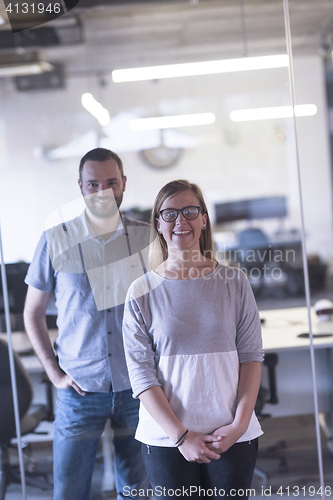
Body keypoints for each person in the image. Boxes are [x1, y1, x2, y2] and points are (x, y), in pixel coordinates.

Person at [123, 179, 263, 499]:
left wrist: (239, 426)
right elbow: (141, 374)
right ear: (158, 224)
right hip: (166, 438)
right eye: (169, 213)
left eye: (189, 211)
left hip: (231, 433)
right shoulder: (141, 291)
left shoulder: (234, 281)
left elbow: (251, 356)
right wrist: (181, 435)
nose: (180, 221)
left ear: (203, 219)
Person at [23, 148, 151, 500]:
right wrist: (54, 373)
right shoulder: (55, 240)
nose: (103, 191)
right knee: (69, 491)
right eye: (93, 183)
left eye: (111, 182)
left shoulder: (147, 239)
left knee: (137, 489)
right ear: (80, 186)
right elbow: (32, 312)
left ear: (124, 183)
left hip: (138, 388)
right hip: (79, 391)